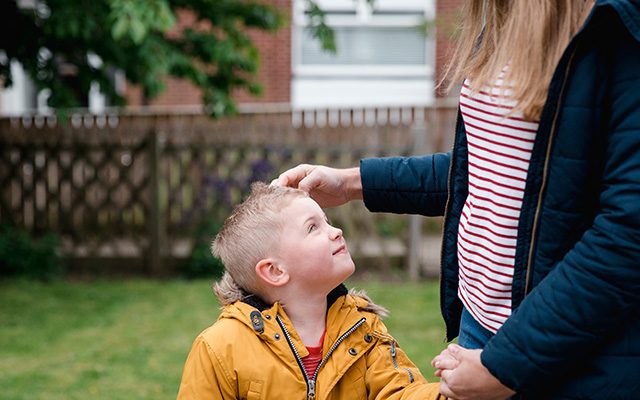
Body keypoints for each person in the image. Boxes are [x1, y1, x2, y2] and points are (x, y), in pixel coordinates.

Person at [273, 0, 640, 398]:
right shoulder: (501, 21)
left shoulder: (617, 28)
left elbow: (626, 236)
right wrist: (351, 183)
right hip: (479, 331)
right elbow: (486, 169)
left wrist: (507, 365)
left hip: (559, 354)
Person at [176, 182, 444, 399]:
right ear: (275, 271)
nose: (336, 231)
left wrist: (455, 393)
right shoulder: (220, 348)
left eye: (326, 221)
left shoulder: (362, 330)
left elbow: (402, 394)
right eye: (313, 227)